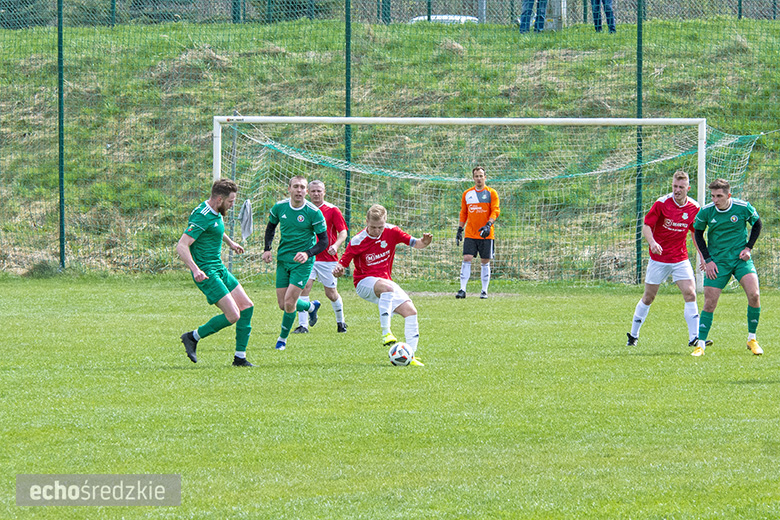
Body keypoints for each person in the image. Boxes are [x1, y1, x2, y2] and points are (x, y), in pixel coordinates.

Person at [333, 204, 433, 366]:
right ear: (366, 222)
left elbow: (417, 243)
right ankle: (386, 333)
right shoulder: (358, 240)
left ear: (385, 221)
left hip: (386, 283)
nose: (377, 231)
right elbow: (342, 264)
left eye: (380, 227)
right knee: (387, 287)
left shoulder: (392, 231)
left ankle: (410, 356)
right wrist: (338, 269)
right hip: (364, 283)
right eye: (373, 227)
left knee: (411, 311)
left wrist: (424, 242)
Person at [625, 170, 709, 350]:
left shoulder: (694, 208)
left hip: (680, 258)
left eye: (681, 187)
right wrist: (653, 242)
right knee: (649, 297)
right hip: (659, 258)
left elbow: (696, 234)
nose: (677, 190)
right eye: (674, 186)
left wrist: (703, 256)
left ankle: (694, 338)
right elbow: (647, 225)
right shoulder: (662, 203)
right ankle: (633, 335)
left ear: (688, 188)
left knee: (690, 293)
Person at [177, 179, 255, 367]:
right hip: (207, 272)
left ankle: (240, 358)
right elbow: (182, 245)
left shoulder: (214, 211)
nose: (232, 204)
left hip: (219, 267)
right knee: (233, 315)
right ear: (220, 199)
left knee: (247, 306)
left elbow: (214, 228)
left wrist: (230, 243)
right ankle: (192, 337)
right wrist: (196, 270)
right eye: (231, 201)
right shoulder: (202, 216)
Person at [691, 178, 763, 356]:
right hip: (718, 262)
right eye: (713, 196)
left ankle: (752, 339)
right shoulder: (706, 211)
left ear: (728, 195)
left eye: (719, 196)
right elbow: (698, 234)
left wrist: (748, 248)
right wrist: (708, 260)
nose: (715, 200)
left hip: (740, 260)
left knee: (754, 295)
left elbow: (757, 224)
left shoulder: (742, 207)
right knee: (709, 303)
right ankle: (700, 344)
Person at [262, 175, 328, 351]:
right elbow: (271, 227)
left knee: (290, 303)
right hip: (283, 259)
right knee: (282, 304)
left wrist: (307, 253)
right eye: (296, 187)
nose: (299, 190)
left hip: (303, 262)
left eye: (302, 187)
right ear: (289, 189)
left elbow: (324, 242)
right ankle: (310, 306)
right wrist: (267, 249)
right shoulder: (280, 207)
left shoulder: (313, 212)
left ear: (306, 191)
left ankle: (282, 340)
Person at [293, 180, 349, 334]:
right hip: (308, 257)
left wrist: (336, 245)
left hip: (328, 259)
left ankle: (341, 322)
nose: (316, 194)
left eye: (319, 191)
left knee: (330, 293)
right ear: (308, 193)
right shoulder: (302, 209)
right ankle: (303, 325)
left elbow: (343, 232)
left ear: (324, 192)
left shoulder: (332, 210)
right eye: (313, 191)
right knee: (304, 288)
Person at [456, 166, 500, 299]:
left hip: (486, 233)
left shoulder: (491, 193)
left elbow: (495, 210)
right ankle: (462, 289)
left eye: (481, 176)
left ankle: (484, 291)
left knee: (485, 261)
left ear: (485, 177)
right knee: (467, 258)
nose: (479, 178)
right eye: (476, 176)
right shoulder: (467, 194)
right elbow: (464, 213)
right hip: (470, 233)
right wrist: (460, 229)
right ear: (473, 178)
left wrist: (488, 224)